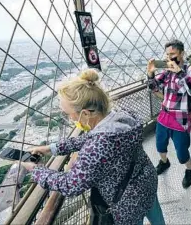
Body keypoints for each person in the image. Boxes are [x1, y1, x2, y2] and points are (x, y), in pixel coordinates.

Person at [20, 69, 165, 225]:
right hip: (146, 180)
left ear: (86, 114)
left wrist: (36, 171)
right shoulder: (122, 117)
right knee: (156, 216)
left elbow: (72, 184)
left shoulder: (98, 144)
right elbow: (92, 138)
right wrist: (52, 148)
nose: (70, 118)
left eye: (69, 114)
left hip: (127, 202)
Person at [147, 39, 191, 189]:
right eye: (167, 55)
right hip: (164, 116)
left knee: (182, 151)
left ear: (182, 53)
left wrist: (180, 73)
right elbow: (153, 87)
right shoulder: (167, 71)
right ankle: (164, 162)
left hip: (180, 119)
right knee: (160, 145)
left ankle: (189, 169)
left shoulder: (190, 70)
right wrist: (151, 74)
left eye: (173, 54)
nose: (169, 58)